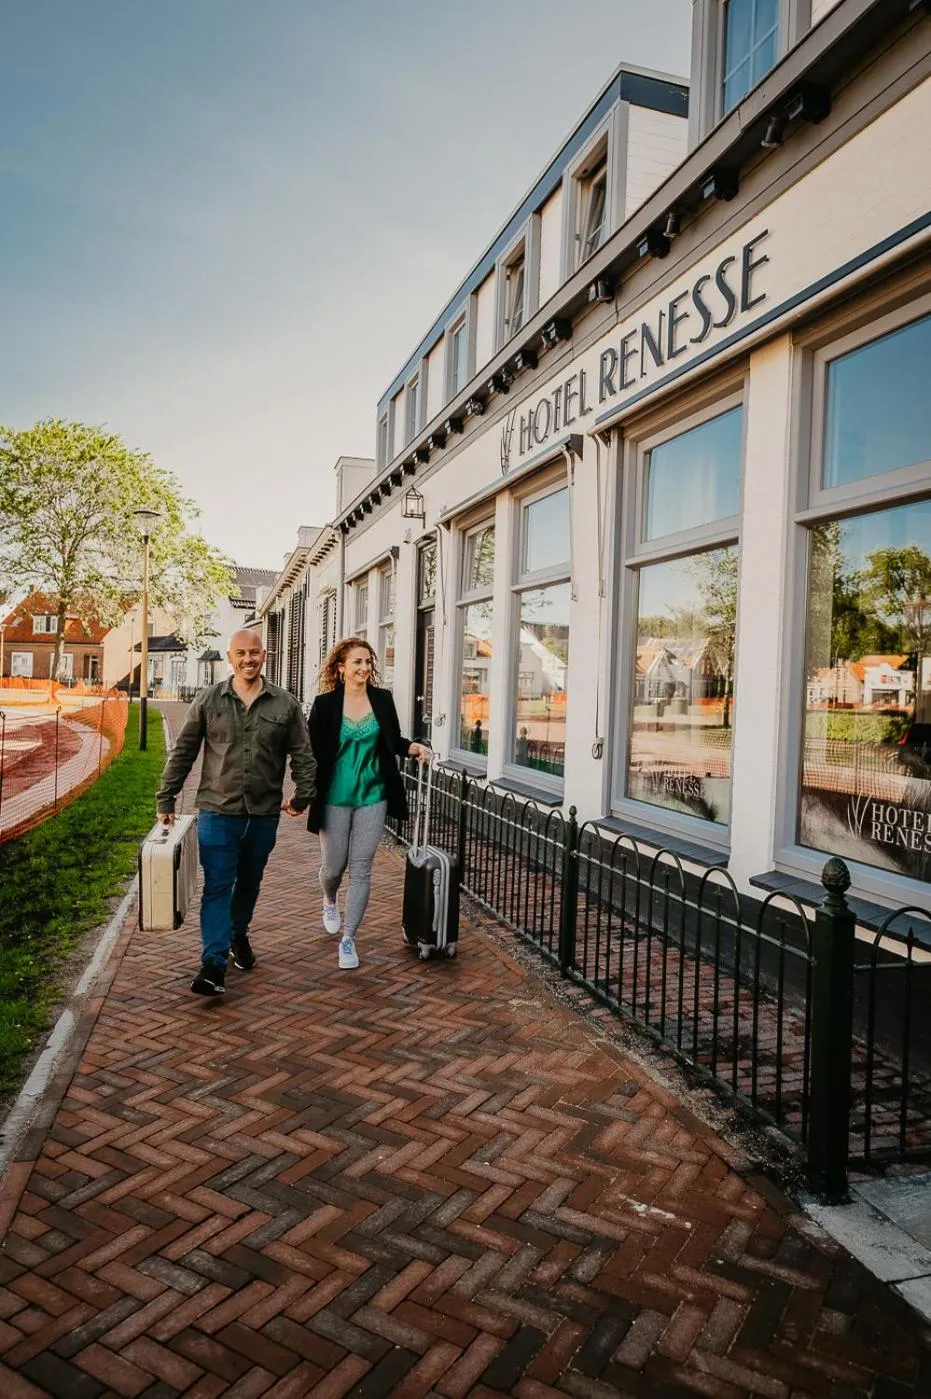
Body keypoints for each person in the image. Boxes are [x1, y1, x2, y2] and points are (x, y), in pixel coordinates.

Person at [155, 627, 316, 996]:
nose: (248, 659)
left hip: (263, 814)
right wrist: (166, 798)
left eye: (254, 653)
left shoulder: (285, 705)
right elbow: (183, 751)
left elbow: (303, 755)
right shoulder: (209, 700)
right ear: (229, 657)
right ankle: (213, 963)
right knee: (217, 886)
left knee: (250, 882)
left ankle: (238, 933)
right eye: (240, 653)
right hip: (216, 811)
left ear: (265, 656)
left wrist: (303, 797)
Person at [306, 637, 430, 970]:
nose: (364, 668)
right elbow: (309, 755)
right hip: (334, 797)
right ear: (341, 668)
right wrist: (301, 793)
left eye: (367, 662)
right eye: (357, 662)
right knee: (333, 867)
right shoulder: (325, 705)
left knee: (361, 869)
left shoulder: (382, 700)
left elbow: (394, 740)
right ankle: (330, 898)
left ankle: (349, 939)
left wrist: (413, 749)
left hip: (373, 794)